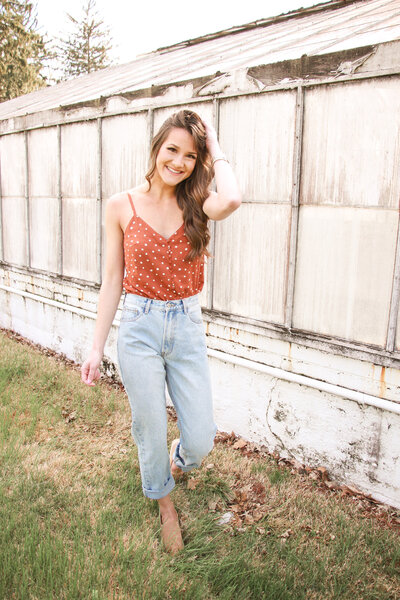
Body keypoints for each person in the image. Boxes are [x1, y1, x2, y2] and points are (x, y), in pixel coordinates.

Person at [81, 109, 241, 554]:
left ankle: (176, 462)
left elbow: (231, 201)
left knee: (200, 440)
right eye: (172, 149)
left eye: (190, 155)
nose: (179, 162)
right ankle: (165, 503)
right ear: (156, 148)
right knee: (149, 425)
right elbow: (113, 279)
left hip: (186, 326)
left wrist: (216, 148)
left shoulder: (197, 201)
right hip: (139, 327)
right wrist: (95, 346)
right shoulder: (120, 206)